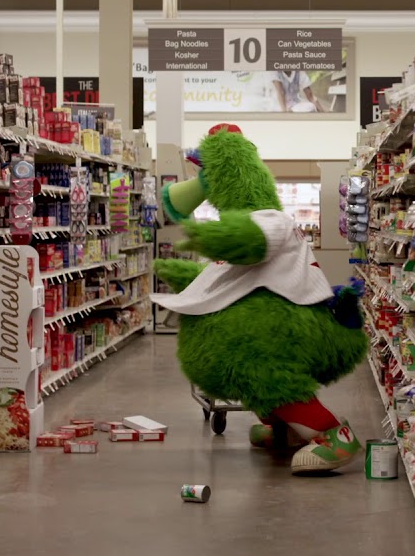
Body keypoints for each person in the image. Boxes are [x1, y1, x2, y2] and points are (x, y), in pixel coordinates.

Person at [153, 124, 368, 473]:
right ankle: (283, 429)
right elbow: (227, 276)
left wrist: (212, 237)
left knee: (261, 368)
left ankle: (334, 436)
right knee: (253, 373)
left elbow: (252, 242)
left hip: (291, 327)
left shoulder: (270, 219)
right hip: (275, 323)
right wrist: (186, 275)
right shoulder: (253, 217)